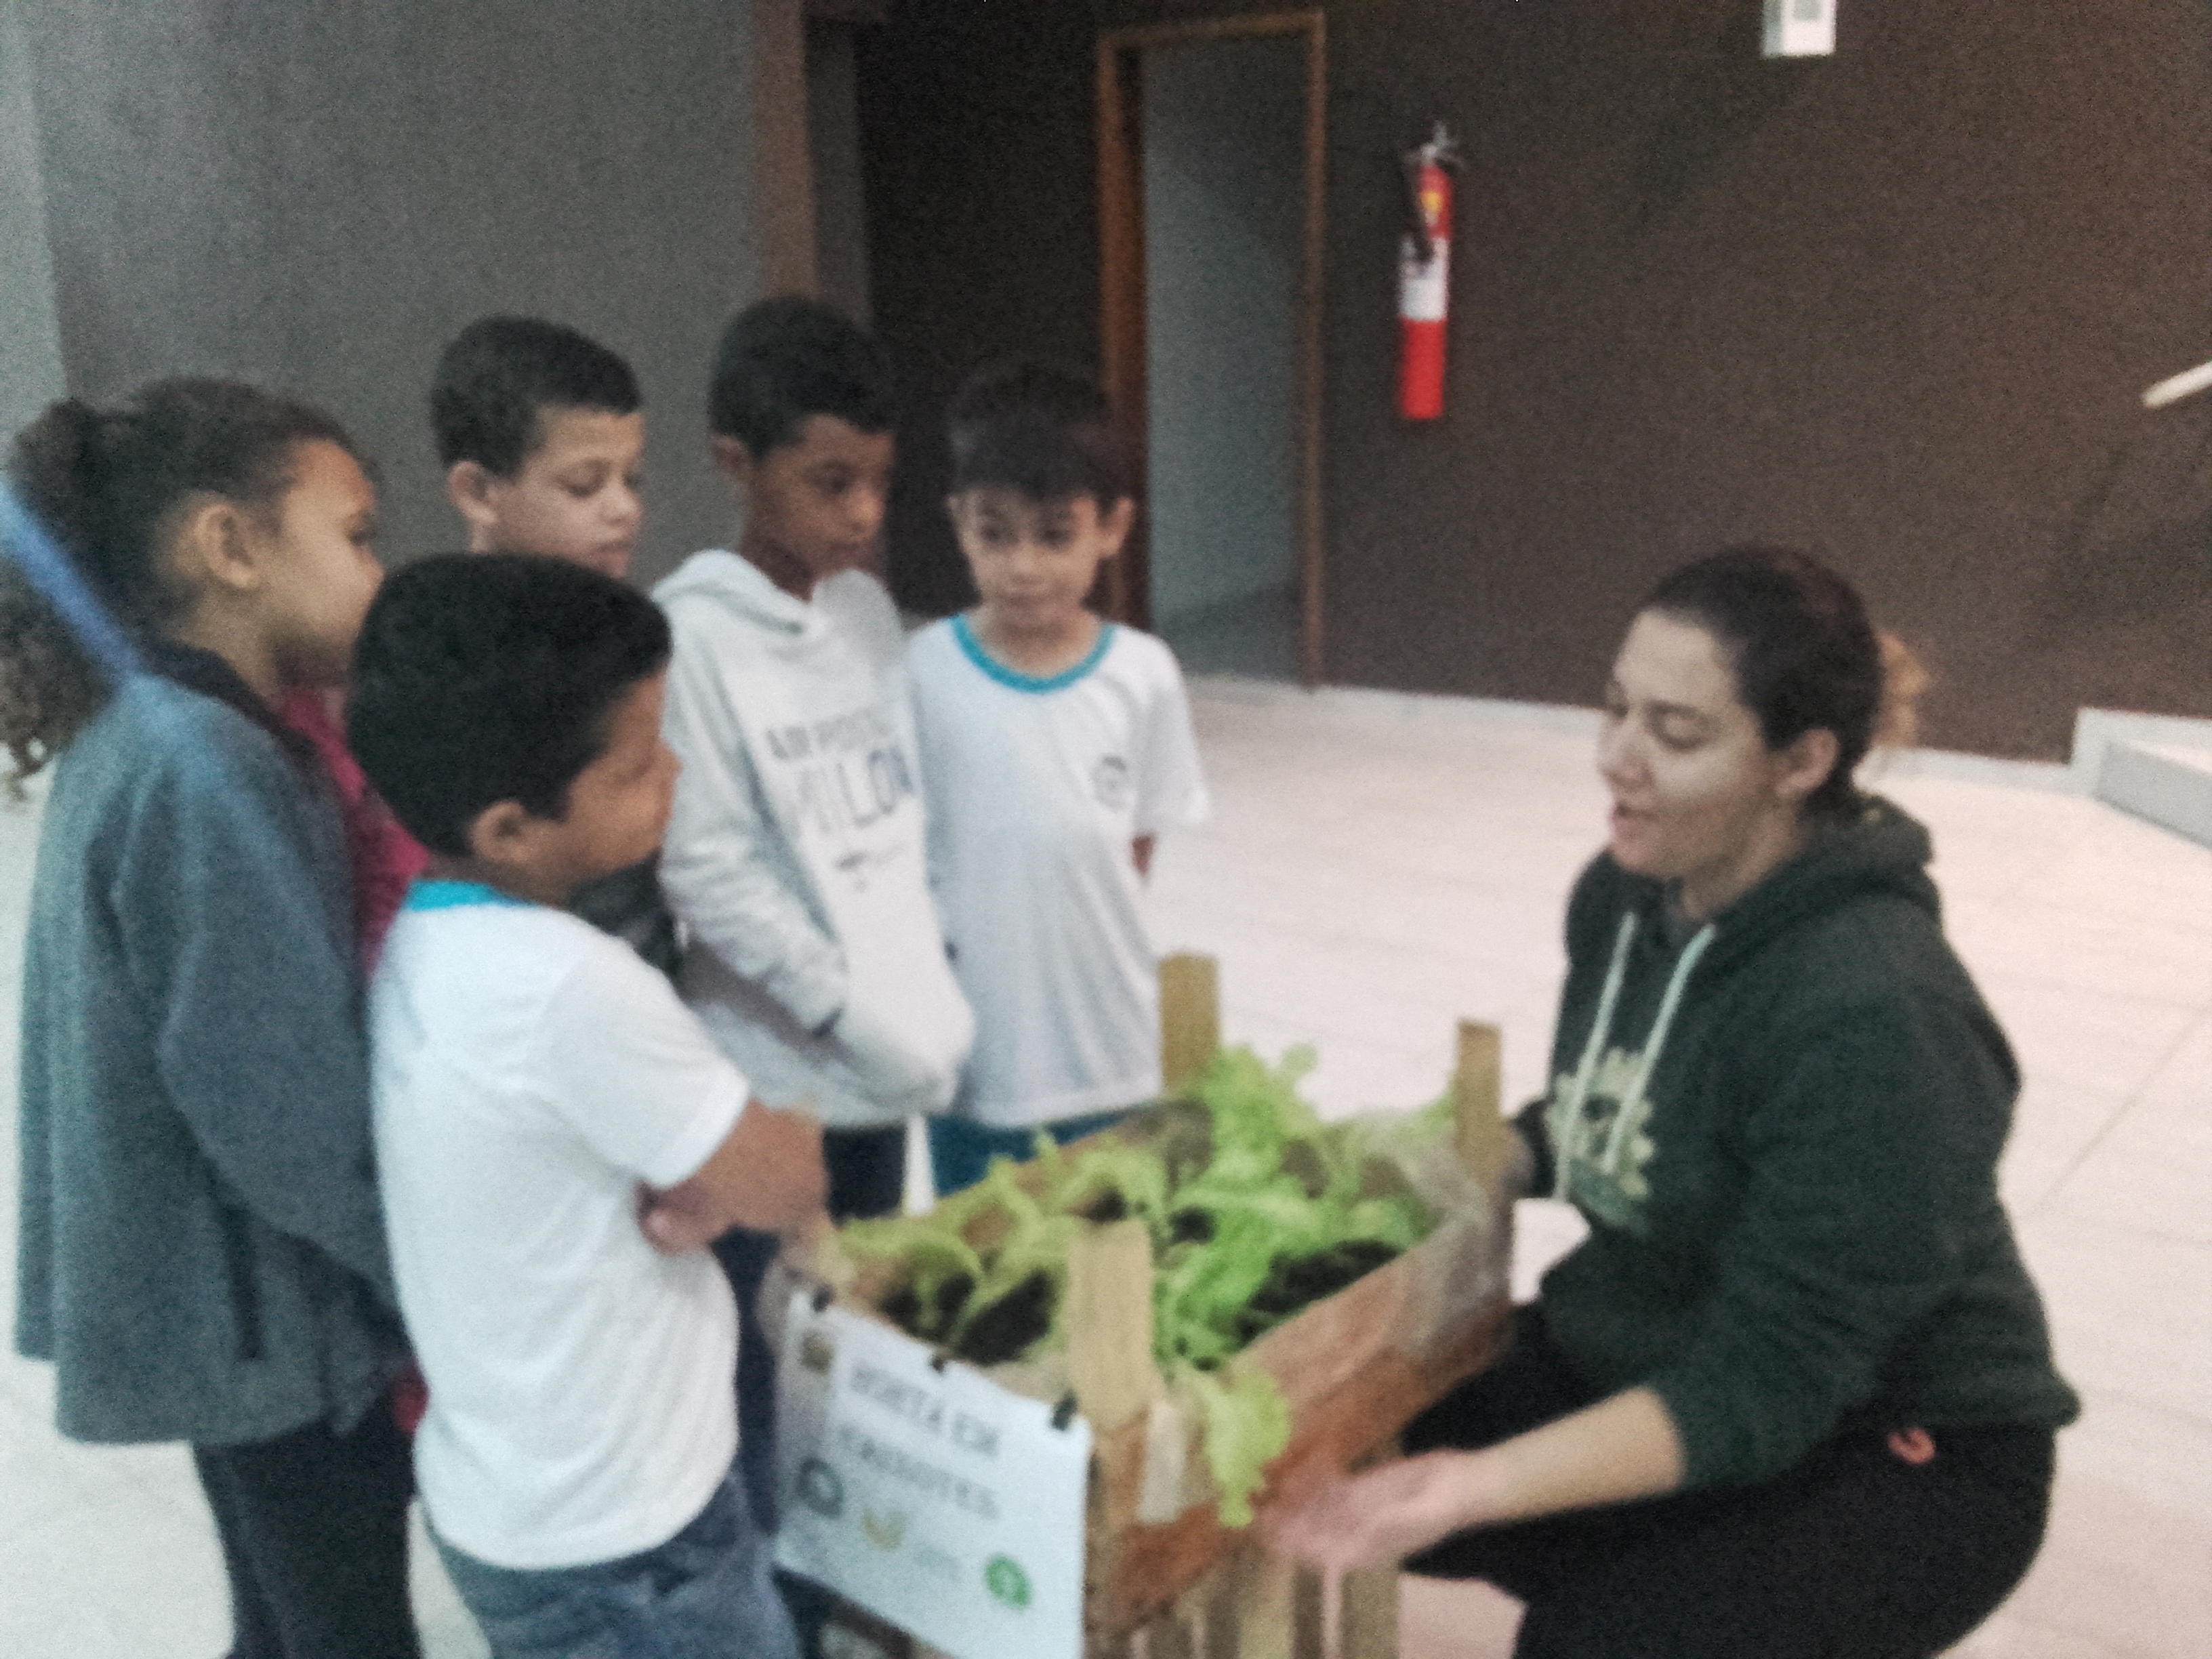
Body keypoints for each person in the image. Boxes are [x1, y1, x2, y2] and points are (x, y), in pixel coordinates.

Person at [1265, 546, 2079, 1659]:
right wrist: (1473, 1158)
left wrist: (1472, 1485)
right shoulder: (1623, 893)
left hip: (1900, 1445)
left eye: (1675, 732)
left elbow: (1764, 1383)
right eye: (1611, 710)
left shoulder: (1877, 1018)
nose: (1614, 760)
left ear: (1799, 760)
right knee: (1352, 1427)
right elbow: (1621, 1102)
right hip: (1672, 1342)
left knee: (1591, 1640)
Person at [4, 380, 418, 1658]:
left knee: (284, 1621)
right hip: (267, 1335)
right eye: (352, 534)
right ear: (230, 548)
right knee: (346, 1632)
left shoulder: (159, 731)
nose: (377, 569)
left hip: (223, 1319)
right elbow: (283, 1110)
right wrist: (422, 1276)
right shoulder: (203, 767)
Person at [347, 554, 824, 1659]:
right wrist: (776, 1074)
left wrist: (696, 1172)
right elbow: (788, 1178)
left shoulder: (426, 942)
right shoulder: (567, 981)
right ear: (512, 826)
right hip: (632, 1541)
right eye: (636, 764)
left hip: (518, 1503)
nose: (674, 769)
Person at [654, 295, 972, 1215]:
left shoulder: (867, 614)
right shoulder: (693, 637)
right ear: (736, 462)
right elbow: (706, 869)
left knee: (868, 1288)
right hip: (778, 1068)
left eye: (880, 480)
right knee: (793, 1316)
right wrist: (842, 1011)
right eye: (831, 483)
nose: (865, 514)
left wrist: (920, 982)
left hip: (886, 1050)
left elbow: (901, 816)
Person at [908, 359, 1208, 1195]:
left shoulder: (1144, 676)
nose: (1024, 567)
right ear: (957, 523)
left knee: (1108, 1267)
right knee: (981, 1279)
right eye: (994, 533)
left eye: (1054, 534)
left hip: (1109, 1047)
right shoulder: (924, 672)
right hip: (975, 1062)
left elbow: (1136, 848)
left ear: (1112, 527)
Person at [429, 313, 675, 975]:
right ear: (478, 492)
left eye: (633, 478)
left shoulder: (620, 626)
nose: (624, 508)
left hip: (643, 976)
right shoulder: (441, 664)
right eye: (585, 485)